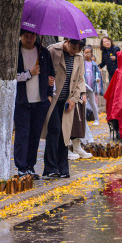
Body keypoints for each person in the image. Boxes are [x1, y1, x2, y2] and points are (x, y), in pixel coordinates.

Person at [41, 38, 87, 179]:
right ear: (68, 42)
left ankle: (62, 168)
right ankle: (50, 168)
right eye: (74, 48)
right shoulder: (53, 50)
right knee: (54, 130)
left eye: (79, 49)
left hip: (68, 100)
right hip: (53, 99)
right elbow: (43, 70)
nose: (75, 52)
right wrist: (46, 81)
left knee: (64, 134)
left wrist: (74, 99)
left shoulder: (79, 57)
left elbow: (80, 79)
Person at [14, 29, 55, 178]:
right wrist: (30, 73)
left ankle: (30, 166)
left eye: (32, 35)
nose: (29, 38)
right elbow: (11, 76)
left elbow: (51, 74)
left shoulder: (43, 52)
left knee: (35, 135)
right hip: (22, 102)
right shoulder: (15, 51)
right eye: (26, 35)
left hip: (40, 102)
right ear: (20, 36)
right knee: (22, 135)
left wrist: (49, 94)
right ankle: (21, 167)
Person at [83, 46, 103, 123]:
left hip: (91, 87)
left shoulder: (94, 64)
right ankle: (83, 120)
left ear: (91, 53)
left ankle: (96, 119)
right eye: (85, 53)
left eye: (88, 53)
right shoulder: (82, 63)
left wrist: (97, 79)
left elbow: (97, 74)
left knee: (93, 103)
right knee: (83, 103)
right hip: (83, 87)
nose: (87, 54)